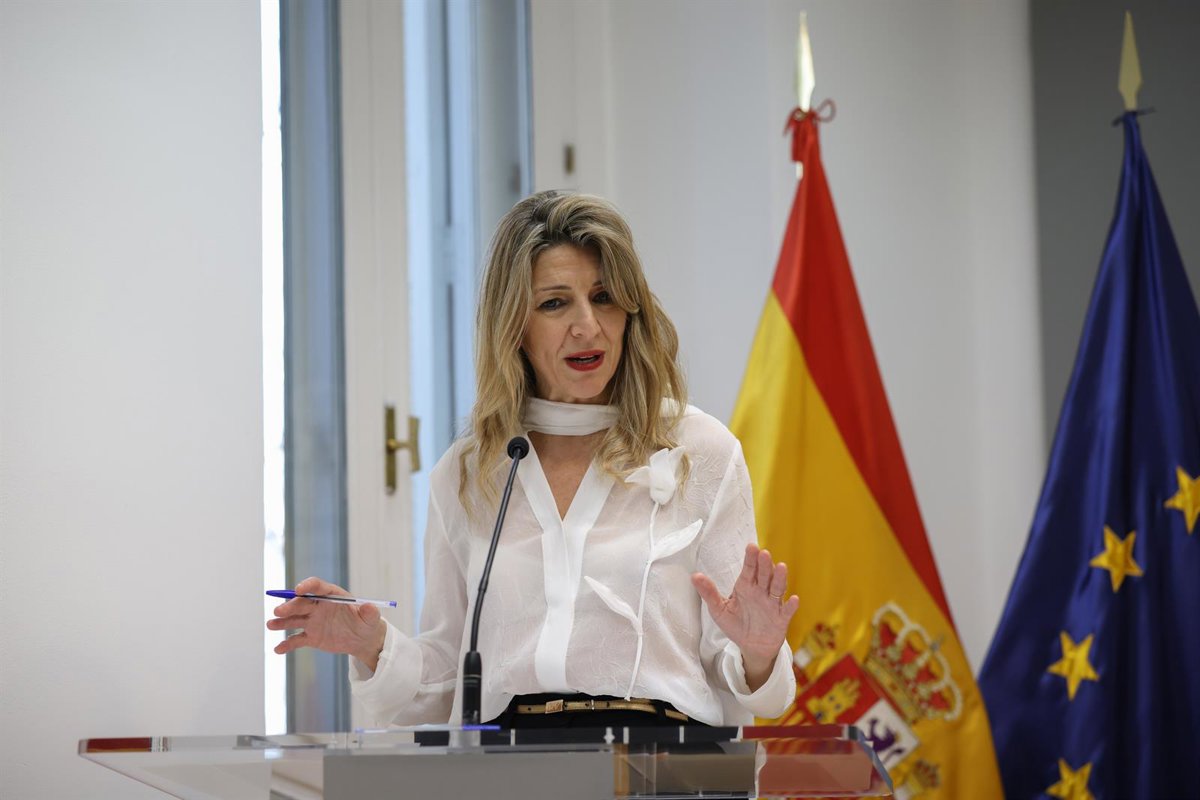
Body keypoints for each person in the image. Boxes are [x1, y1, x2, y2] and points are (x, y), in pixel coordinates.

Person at [268, 191, 799, 729]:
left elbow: (747, 679)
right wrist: (374, 645)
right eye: (554, 303)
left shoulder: (700, 452)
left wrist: (758, 654)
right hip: (512, 770)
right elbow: (452, 679)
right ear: (514, 325)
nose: (587, 325)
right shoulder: (468, 473)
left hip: (665, 768)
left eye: (604, 297)